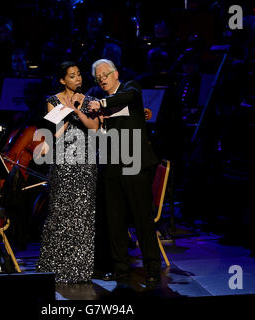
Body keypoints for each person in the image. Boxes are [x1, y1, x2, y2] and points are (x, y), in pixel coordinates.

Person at [88, 59, 161, 284]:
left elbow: (125, 98)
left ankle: (152, 267)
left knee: (142, 218)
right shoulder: (102, 102)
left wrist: (101, 103)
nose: (102, 79)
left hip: (135, 164)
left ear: (115, 73)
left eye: (105, 74)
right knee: (115, 219)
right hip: (111, 165)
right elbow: (100, 136)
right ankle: (120, 267)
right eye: (98, 77)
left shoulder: (131, 88)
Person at [36, 61, 99, 283]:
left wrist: (77, 110)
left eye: (79, 75)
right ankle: (57, 268)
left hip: (85, 163)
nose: (78, 79)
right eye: (72, 76)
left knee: (82, 215)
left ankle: (80, 269)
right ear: (63, 80)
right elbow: (55, 134)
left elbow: (94, 128)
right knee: (60, 213)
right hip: (63, 163)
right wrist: (65, 112)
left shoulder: (90, 100)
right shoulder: (52, 101)